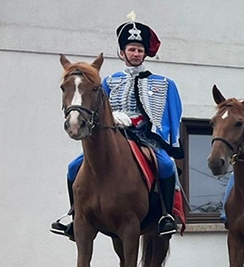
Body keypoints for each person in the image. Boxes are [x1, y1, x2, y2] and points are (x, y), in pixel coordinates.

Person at [51, 15, 182, 240]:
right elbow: (98, 109)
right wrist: (114, 119)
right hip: (114, 137)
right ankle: (75, 216)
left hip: (145, 139)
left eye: (140, 50)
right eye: (131, 49)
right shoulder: (108, 82)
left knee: (167, 166)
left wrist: (141, 124)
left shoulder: (164, 83)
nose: (136, 54)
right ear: (122, 53)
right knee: (74, 167)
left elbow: (172, 115)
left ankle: (166, 217)